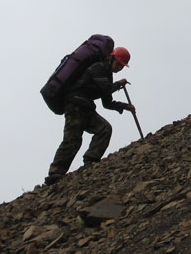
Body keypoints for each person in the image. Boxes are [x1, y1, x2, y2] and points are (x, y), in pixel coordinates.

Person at [45, 47, 135, 185]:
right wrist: (119, 84)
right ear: (111, 58)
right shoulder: (98, 68)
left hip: (85, 107)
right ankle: (56, 172)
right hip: (74, 104)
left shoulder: (107, 75)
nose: (119, 68)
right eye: (118, 64)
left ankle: (91, 162)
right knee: (73, 139)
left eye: (121, 67)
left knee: (104, 129)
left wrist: (125, 106)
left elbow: (107, 103)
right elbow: (107, 89)